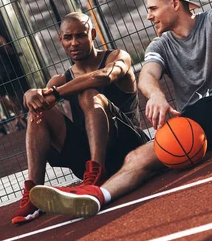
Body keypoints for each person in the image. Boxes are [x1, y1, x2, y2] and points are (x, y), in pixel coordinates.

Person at [29, 0, 212, 218]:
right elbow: (147, 74)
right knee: (136, 157)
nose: (149, 16)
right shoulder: (159, 46)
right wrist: (156, 94)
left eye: (153, 8)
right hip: (192, 123)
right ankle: (96, 196)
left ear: (175, 4)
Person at [10, 12, 150, 223]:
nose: (74, 43)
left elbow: (103, 76)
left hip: (127, 146)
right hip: (84, 158)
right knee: (39, 112)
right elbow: (41, 100)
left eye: (80, 36)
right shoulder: (60, 79)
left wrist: (57, 92)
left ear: (92, 34)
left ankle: (97, 173)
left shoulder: (117, 57)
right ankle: (33, 192)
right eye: (68, 38)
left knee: (89, 93)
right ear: (61, 39)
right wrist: (30, 95)